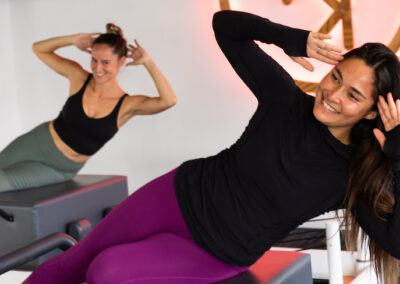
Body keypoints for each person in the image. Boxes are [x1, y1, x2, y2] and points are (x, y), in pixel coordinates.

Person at [23, 10, 400, 284]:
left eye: (352, 95)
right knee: (76, 261)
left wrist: (397, 150)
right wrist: (291, 38)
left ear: (373, 111)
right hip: (175, 195)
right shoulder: (286, 100)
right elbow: (226, 27)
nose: (332, 94)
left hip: (217, 251)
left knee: (105, 272)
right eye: (335, 77)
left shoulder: (355, 172)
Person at [0, 23, 177, 192]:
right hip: (36, 142)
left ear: (121, 61)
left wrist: (148, 61)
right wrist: (72, 39)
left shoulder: (127, 105)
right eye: (94, 60)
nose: (98, 68)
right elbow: (38, 48)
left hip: (60, 169)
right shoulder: (78, 78)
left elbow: (169, 101)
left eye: (106, 62)